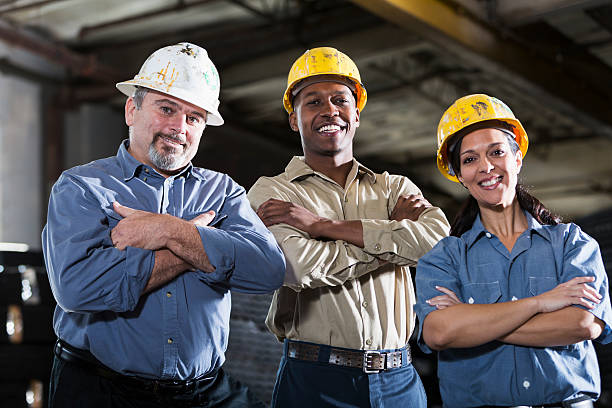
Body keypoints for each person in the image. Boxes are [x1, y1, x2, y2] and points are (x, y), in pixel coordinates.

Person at [42, 42, 286, 408]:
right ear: (131, 109)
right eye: (167, 109)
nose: (179, 127)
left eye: (194, 118)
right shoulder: (82, 187)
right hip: (101, 390)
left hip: (204, 392)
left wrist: (168, 231)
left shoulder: (223, 191)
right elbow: (78, 288)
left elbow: (268, 270)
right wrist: (202, 243)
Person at [247, 46, 450, 407]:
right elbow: (300, 267)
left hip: (399, 379)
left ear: (356, 115)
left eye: (340, 100)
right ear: (294, 119)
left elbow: (437, 245)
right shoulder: (272, 192)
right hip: (315, 380)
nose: (329, 111)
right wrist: (392, 236)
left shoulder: (395, 187)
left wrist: (324, 227)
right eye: (313, 102)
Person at [415, 93, 612, 407]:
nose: (486, 166)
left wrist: (472, 323)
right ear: (460, 176)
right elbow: (439, 333)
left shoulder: (571, 244)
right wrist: (542, 303)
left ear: (517, 158)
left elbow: (583, 324)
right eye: (470, 159)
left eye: (496, 151)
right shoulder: (444, 258)